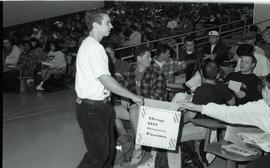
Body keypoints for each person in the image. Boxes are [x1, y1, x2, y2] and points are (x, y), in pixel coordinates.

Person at [74, 9, 143, 168]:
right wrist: (133, 96)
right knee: (98, 155)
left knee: (109, 152)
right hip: (92, 108)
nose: (111, 26)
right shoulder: (93, 47)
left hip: (101, 106)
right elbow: (105, 79)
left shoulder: (93, 45)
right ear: (95, 25)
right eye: (107, 23)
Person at [117, 45, 167, 166]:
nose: (151, 59)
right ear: (139, 58)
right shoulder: (130, 70)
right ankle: (127, 141)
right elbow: (121, 88)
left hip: (153, 109)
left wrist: (136, 102)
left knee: (134, 109)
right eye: (148, 56)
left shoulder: (156, 72)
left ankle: (139, 148)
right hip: (135, 108)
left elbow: (159, 97)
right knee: (111, 111)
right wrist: (124, 97)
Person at [179, 73, 270, 133]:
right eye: (265, 91)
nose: (268, 96)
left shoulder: (202, 89)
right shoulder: (261, 106)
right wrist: (199, 107)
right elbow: (230, 111)